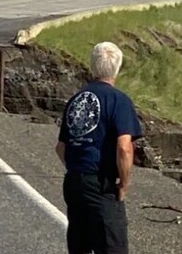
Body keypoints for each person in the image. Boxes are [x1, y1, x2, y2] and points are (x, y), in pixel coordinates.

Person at [56, 41, 143, 254]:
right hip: (101, 183)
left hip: (75, 181)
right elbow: (124, 147)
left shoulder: (76, 99)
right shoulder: (119, 100)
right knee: (112, 245)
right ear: (117, 67)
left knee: (80, 244)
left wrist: (78, 168)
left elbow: (61, 147)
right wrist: (124, 183)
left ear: (92, 65)